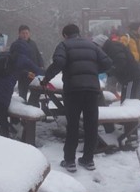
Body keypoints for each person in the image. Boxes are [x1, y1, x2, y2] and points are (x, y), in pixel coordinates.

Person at [40, 24, 112, 172]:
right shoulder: (92, 45)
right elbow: (108, 62)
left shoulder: (64, 45)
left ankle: (69, 161)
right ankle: (88, 160)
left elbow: (59, 62)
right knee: (91, 124)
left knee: (72, 125)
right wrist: (92, 71)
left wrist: (46, 78)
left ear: (65, 35)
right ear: (78, 33)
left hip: (73, 90)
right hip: (92, 89)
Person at [0, 40, 44, 138]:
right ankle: (4, 140)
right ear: (25, 49)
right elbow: (38, 70)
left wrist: (25, 73)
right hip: (4, 91)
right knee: (3, 118)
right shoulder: (23, 58)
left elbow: (10, 70)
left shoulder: (4, 55)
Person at [92, 34, 140, 105]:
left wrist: (109, 72)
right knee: (126, 97)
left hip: (131, 76)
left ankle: (127, 113)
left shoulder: (113, 47)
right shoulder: (110, 47)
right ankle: (125, 111)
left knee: (128, 99)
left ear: (100, 44)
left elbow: (120, 62)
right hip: (127, 77)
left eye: (96, 46)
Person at [10, 25, 45, 101]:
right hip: (23, 74)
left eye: (26, 33)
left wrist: (41, 65)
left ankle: (33, 106)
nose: (25, 35)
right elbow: (13, 61)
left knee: (36, 92)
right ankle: (23, 109)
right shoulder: (16, 45)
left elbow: (38, 55)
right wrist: (24, 72)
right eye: (23, 33)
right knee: (22, 95)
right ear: (19, 34)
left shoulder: (33, 43)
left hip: (34, 73)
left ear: (29, 34)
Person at [120, 22, 140, 104]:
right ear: (135, 29)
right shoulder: (126, 37)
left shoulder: (139, 38)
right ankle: (126, 102)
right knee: (129, 85)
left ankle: (137, 101)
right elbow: (122, 50)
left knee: (137, 84)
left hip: (139, 64)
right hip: (130, 65)